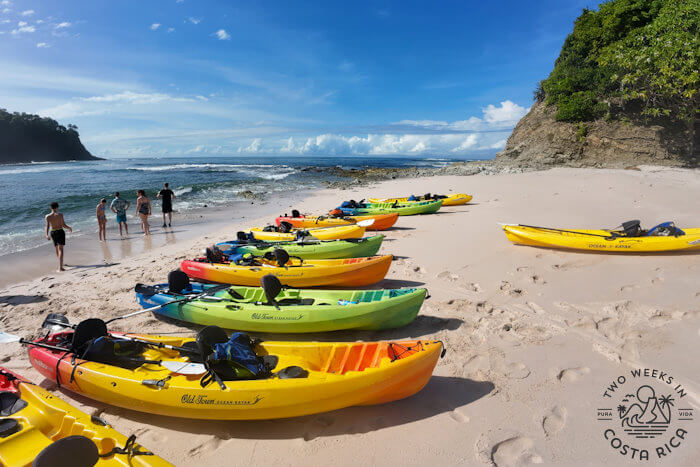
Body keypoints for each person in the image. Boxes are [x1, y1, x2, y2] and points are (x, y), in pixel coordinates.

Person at [45, 202, 72, 272]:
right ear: (57, 207)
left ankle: (61, 264)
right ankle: (60, 267)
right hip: (60, 231)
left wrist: (46, 234)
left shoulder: (48, 216)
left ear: (50, 208)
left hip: (53, 232)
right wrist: (69, 228)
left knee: (57, 248)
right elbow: (63, 225)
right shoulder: (60, 215)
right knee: (61, 249)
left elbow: (47, 226)